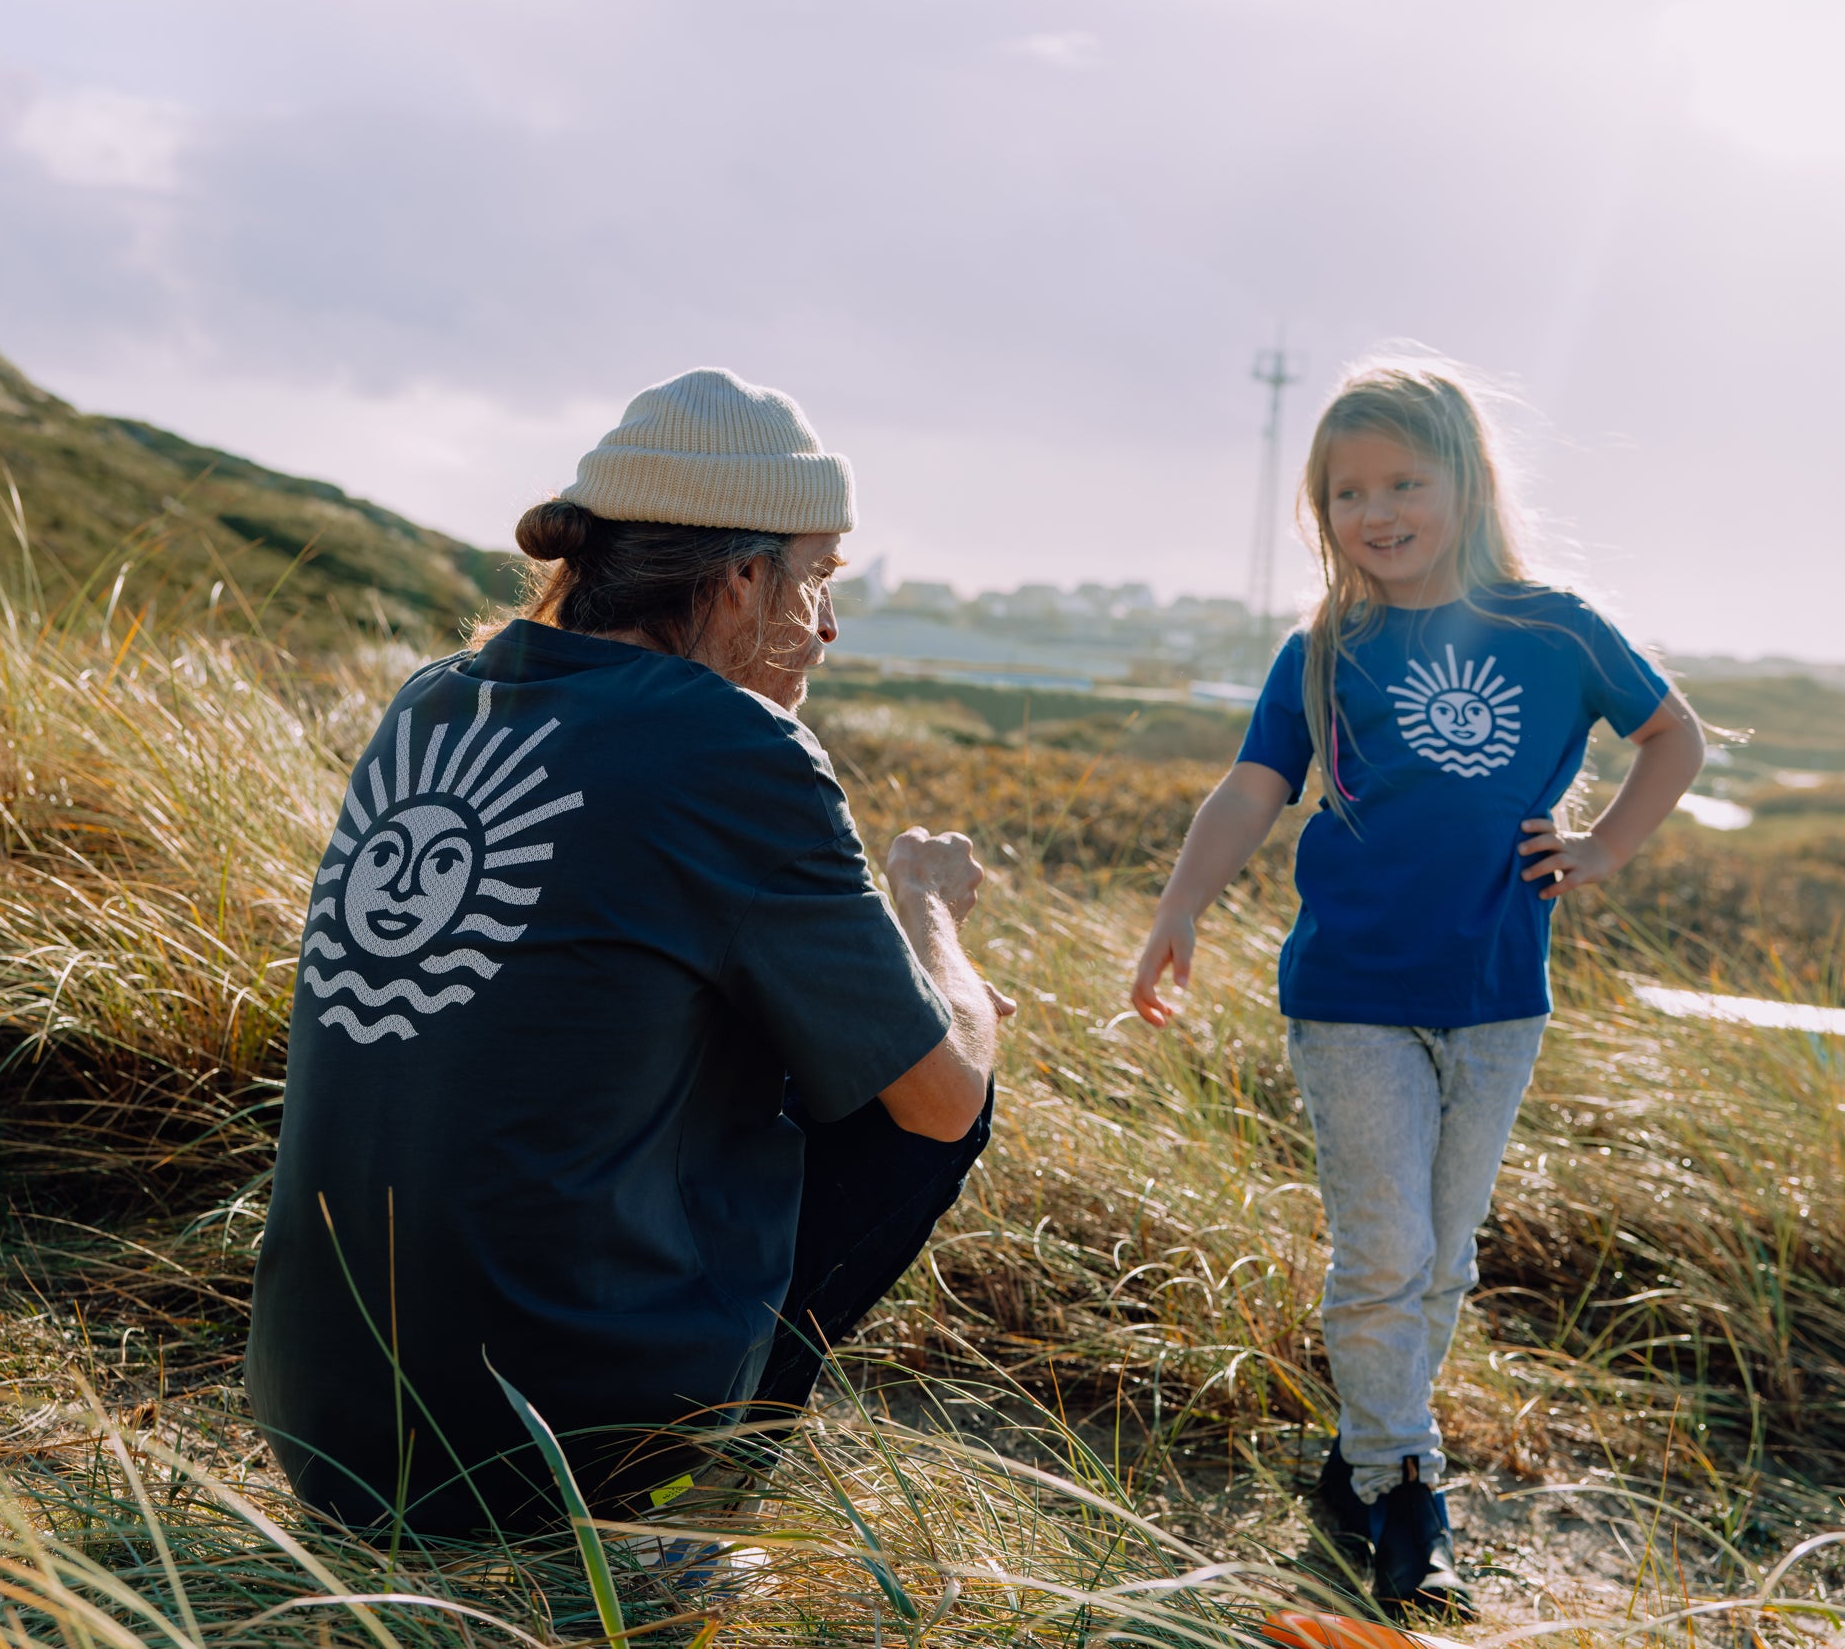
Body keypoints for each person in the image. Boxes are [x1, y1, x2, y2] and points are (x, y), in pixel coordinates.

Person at [246, 368, 1008, 1542]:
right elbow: (942, 1094)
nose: (827, 621)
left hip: (320, 1421)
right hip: (543, 1456)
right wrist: (929, 916)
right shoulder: (735, 745)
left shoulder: (431, 702)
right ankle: (678, 1517)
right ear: (742, 574)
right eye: (817, 576)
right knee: (923, 1078)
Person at [1128, 360, 1704, 1618]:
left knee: (1441, 1257)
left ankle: (1356, 1461)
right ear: (1319, 511)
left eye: (1404, 480)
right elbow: (1249, 787)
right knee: (1384, 1248)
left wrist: (1602, 845)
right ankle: (1408, 1488)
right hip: (1349, 993)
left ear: (1466, 482)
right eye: (1347, 492)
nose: (1376, 509)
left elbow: (1675, 735)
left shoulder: (1556, 628)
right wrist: (1179, 909)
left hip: (1499, 993)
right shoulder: (1325, 648)